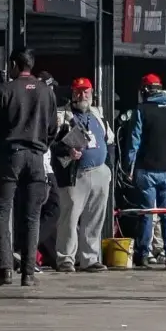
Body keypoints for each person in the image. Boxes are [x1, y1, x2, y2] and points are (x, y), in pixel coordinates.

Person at [0, 48, 57, 287]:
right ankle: (28, 273)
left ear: (15, 64)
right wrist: (42, 147)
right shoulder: (47, 92)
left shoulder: (4, 90)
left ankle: (5, 269)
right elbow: (53, 128)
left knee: (2, 212)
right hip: (36, 157)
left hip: (10, 156)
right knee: (32, 217)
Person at [123, 73, 166, 268]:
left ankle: (143, 254)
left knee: (147, 212)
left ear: (145, 90)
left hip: (146, 169)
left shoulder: (141, 110)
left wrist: (128, 168)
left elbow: (134, 142)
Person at [54, 78, 112, 274]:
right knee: (69, 218)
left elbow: (108, 139)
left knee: (95, 217)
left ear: (92, 92)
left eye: (86, 91)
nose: (82, 95)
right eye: (78, 91)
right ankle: (66, 259)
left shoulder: (97, 113)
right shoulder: (62, 115)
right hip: (74, 173)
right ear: (72, 93)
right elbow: (51, 143)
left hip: (99, 171)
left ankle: (90, 258)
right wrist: (66, 151)